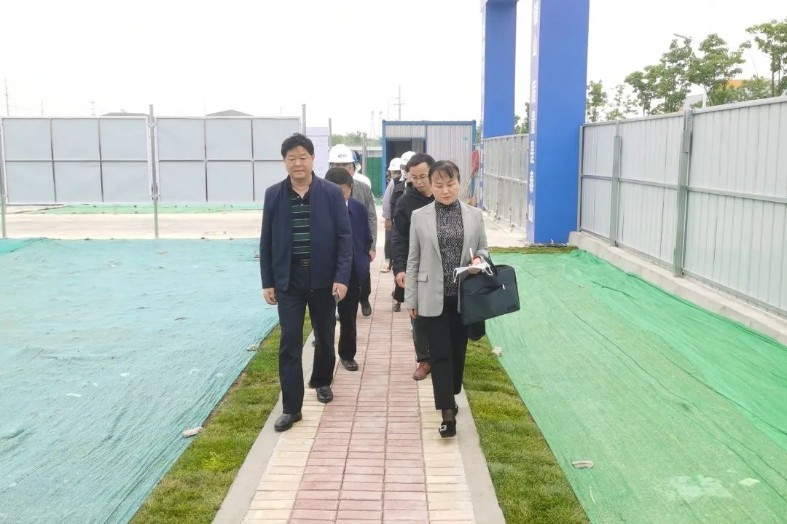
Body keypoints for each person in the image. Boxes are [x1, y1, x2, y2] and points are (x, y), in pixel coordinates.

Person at [260, 133, 352, 432]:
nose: (297, 163)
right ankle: (291, 408)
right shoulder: (274, 195)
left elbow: (345, 238)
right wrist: (268, 281)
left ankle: (322, 381)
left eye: (303, 157)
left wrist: (341, 277)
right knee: (289, 341)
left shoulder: (331, 193)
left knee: (324, 334)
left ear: (313, 159)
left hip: (324, 279)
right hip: (289, 280)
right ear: (284, 162)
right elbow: (267, 240)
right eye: (291, 158)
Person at [404, 160, 489, 438]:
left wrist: (478, 259)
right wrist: (411, 298)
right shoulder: (420, 216)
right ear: (430, 186)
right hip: (431, 296)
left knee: (457, 352)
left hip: (463, 297)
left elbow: (483, 249)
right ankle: (447, 414)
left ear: (459, 183)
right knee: (440, 354)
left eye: (450, 184)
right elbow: (413, 259)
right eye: (439, 185)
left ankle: (450, 394)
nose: (445, 190)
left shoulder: (474, 215)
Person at [324, 167, 373, 372]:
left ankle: (347, 355)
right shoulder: (318, 209)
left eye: (342, 192)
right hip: (324, 271)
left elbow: (365, 236)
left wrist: (363, 258)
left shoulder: (357, 208)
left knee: (348, 316)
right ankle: (323, 351)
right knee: (324, 317)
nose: (338, 197)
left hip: (351, 271)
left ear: (350, 189)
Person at [391, 153, 434, 380]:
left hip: (444, 267)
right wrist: (399, 268)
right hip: (417, 267)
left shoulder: (444, 197)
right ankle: (424, 360)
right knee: (418, 314)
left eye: (423, 176)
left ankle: (444, 357)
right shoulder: (405, 203)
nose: (418, 182)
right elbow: (398, 238)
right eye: (414, 177)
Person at [329, 144, 377, 317]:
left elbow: (371, 216)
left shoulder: (363, 188)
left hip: (358, 244)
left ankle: (364, 298)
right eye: (336, 165)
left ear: (353, 167)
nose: (341, 168)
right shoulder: (324, 189)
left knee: (363, 275)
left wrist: (372, 246)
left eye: (344, 165)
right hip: (335, 247)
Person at [381, 157, 402, 273]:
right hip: (394, 218)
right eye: (392, 172)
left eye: (396, 172)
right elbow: (386, 201)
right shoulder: (394, 183)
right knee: (389, 239)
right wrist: (387, 218)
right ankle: (387, 260)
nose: (393, 175)